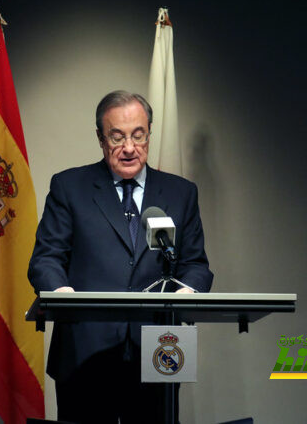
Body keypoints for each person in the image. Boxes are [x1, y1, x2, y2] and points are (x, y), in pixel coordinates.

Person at [28, 90, 213, 423]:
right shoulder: (70, 187)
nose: (129, 148)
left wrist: (189, 292)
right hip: (85, 349)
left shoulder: (181, 192)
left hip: (161, 348)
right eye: (117, 137)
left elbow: (196, 265)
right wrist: (61, 294)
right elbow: (46, 258)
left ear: (149, 134)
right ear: (101, 138)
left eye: (138, 136)